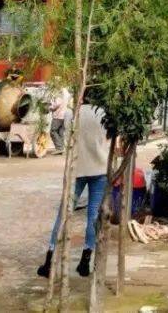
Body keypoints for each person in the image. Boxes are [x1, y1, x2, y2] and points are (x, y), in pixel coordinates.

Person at [37, 101, 112, 279]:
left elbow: (68, 138)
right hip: (100, 169)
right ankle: (85, 262)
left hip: (76, 169)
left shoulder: (72, 114)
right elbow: (108, 137)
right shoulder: (104, 113)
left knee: (63, 214)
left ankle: (50, 260)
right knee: (93, 216)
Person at [48, 86, 72, 153]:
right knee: (60, 132)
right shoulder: (66, 93)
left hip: (58, 116)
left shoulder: (60, 93)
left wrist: (49, 107)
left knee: (53, 131)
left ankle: (59, 148)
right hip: (64, 115)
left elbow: (56, 104)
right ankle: (62, 148)